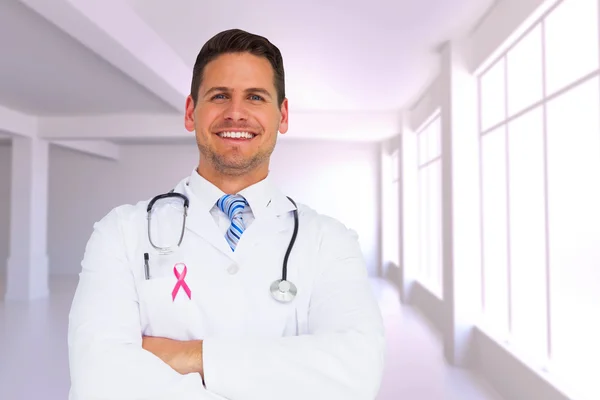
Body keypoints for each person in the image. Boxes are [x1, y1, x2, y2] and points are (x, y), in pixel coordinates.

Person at [67, 28, 385, 400]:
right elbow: (100, 381)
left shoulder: (330, 241)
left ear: (282, 115)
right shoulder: (120, 232)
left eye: (255, 97)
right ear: (191, 112)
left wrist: (189, 355)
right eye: (219, 96)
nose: (236, 113)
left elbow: (357, 371)